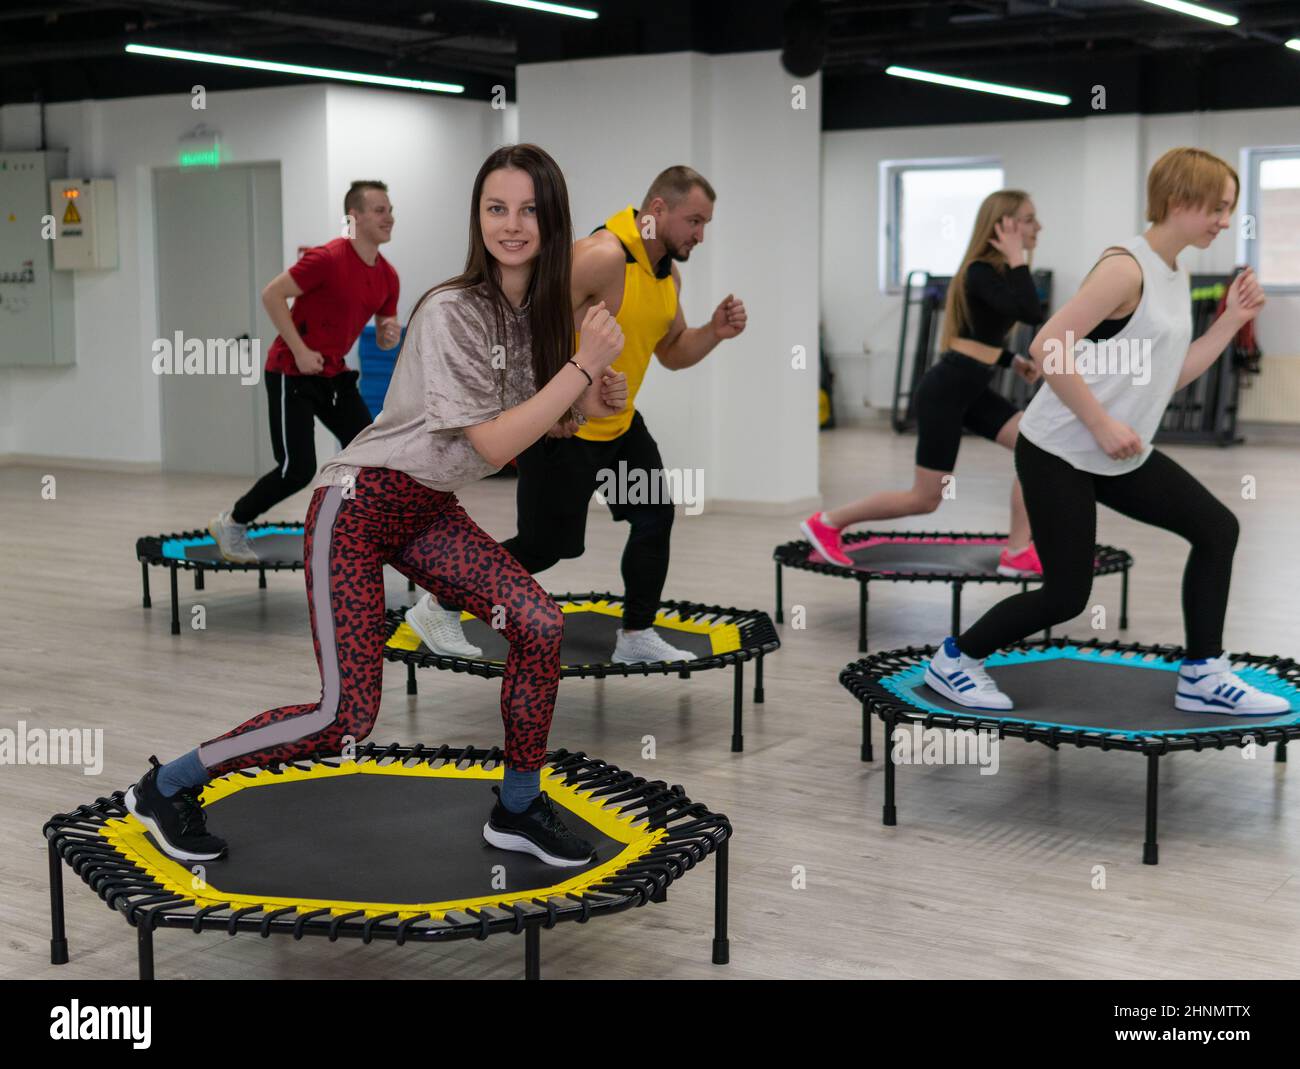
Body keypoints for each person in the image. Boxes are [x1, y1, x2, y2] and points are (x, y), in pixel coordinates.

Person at [125, 144, 631, 866]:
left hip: (427, 510)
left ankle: (516, 807)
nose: (511, 224)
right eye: (496, 208)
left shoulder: (535, 315)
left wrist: (589, 395)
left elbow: (537, 419)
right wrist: (584, 365)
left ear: (552, 220)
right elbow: (491, 445)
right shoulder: (456, 309)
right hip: (357, 507)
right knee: (345, 714)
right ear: (476, 217)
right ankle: (166, 787)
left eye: (528, 209)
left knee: (539, 624)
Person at [924, 147, 1289, 716]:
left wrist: (1233, 322)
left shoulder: (1175, 271)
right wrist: (1100, 421)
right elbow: (1047, 346)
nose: (1224, 221)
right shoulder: (1126, 267)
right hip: (1060, 450)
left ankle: (1203, 673)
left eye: (1228, 209)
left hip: (1118, 450)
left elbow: (1173, 373)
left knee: (1217, 529)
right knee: (1067, 595)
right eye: (1217, 208)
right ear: (1177, 199)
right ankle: (955, 659)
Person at [409, 166, 748, 664]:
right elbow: (527, 329)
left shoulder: (666, 275)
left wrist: (714, 331)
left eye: (705, 224)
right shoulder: (599, 256)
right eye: (694, 221)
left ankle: (635, 637)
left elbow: (673, 351)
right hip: (562, 433)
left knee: (655, 517)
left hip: (619, 428)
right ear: (658, 211)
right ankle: (438, 602)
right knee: (546, 548)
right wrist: (563, 402)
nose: (700, 235)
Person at [801, 190, 1045, 577]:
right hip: (948, 390)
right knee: (925, 499)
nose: (1038, 227)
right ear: (1005, 225)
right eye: (1029, 219)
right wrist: (1017, 257)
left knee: (1039, 449)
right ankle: (827, 523)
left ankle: (1017, 552)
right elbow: (1032, 311)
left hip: (970, 388)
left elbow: (975, 334)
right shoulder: (982, 270)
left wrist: (1009, 360)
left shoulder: (991, 273)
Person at [208, 180, 402, 563]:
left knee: (371, 453)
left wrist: (386, 334)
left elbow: (384, 336)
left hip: (332, 375)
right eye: (380, 210)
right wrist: (299, 350)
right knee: (297, 469)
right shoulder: (327, 258)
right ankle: (231, 522)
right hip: (290, 372)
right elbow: (272, 294)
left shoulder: (387, 276)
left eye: (390, 210)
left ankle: (366, 531)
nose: (389, 218)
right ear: (355, 217)